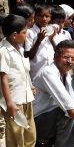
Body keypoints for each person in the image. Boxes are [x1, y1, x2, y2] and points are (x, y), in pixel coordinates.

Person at [32, 40, 74, 146]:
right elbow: (66, 103)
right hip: (38, 121)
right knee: (71, 115)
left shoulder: (66, 75)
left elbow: (72, 101)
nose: (70, 61)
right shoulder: (48, 72)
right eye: (66, 57)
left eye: (73, 59)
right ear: (55, 56)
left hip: (51, 120)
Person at [0, 14, 36, 147]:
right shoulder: (3, 51)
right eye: (24, 32)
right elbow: (3, 78)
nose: (26, 35)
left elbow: (24, 72)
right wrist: (9, 103)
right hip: (14, 101)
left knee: (30, 134)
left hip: (27, 98)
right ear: (14, 35)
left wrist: (30, 86)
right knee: (16, 137)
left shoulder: (20, 49)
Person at [25, 3, 57, 80]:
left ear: (50, 18)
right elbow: (29, 55)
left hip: (52, 71)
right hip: (37, 73)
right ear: (35, 16)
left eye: (47, 16)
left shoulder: (52, 30)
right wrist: (38, 40)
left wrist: (52, 39)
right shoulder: (30, 32)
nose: (44, 19)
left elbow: (58, 50)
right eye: (40, 15)